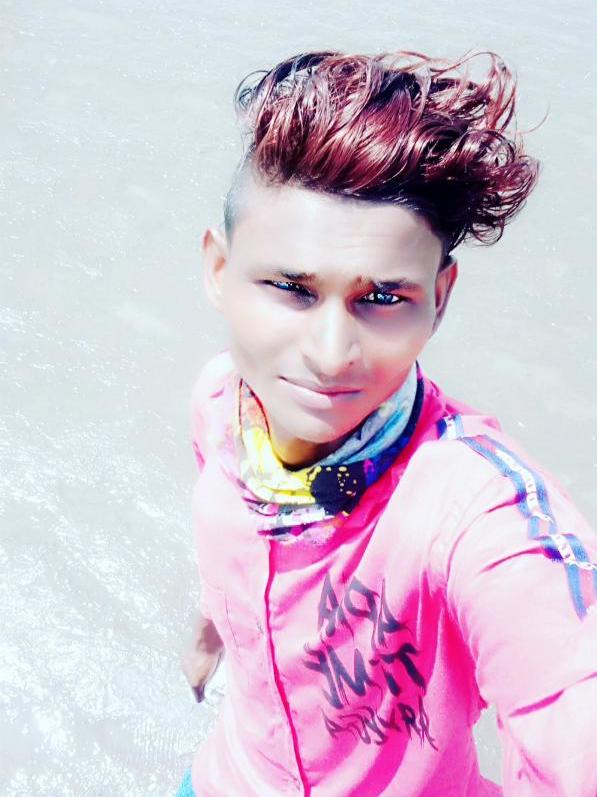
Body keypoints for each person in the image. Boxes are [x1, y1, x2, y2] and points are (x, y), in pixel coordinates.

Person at [176, 50, 597, 796]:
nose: (330, 354)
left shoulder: (473, 512)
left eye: (383, 299)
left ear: (440, 297)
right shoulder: (220, 402)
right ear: (218, 271)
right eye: (291, 288)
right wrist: (210, 628)